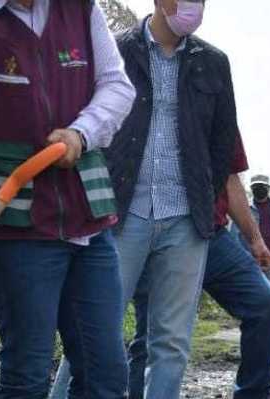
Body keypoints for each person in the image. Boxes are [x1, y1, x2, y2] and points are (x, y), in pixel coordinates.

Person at [0, 0, 136, 397]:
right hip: (15, 225)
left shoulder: (81, 10)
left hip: (87, 220)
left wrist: (82, 132)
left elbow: (118, 86)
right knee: (28, 375)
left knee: (105, 373)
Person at [52, 0, 242, 397]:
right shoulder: (116, 50)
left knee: (171, 342)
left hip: (185, 219)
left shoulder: (214, 63)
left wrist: (203, 200)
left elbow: (223, 143)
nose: (194, 7)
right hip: (120, 214)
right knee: (93, 332)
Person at [52, 139, 270, 399]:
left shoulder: (214, 114)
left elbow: (230, 176)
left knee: (264, 303)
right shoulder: (132, 113)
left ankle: (253, 394)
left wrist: (255, 239)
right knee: (127, 331)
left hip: (207, 231)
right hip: (138, 224)